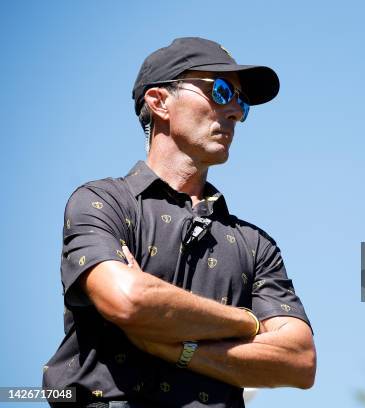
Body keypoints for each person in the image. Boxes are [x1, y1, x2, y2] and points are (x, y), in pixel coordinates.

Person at [43, 37, 316, 408]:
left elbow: (300, 362)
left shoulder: (255, 245)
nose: (235, 110)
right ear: (159, 102)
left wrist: (178, 349)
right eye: (220, 91)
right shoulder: (102, 202)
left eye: (242, 102)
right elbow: (129, 300)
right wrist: (250, 323)